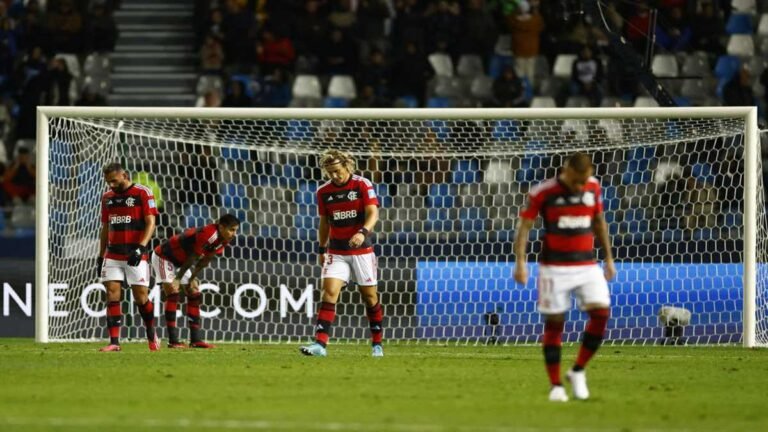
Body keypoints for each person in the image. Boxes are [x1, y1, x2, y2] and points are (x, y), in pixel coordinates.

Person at [513, 153, 615, 402]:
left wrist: (609, 259)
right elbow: (524, 226)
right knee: (555, 323)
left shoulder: (594, 186)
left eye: (584, 180)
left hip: (587, 265)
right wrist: (520, 263)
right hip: (554, 268)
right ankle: (556, 385)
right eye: (576, 181)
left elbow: (599, 221)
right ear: (565, 171)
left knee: (601, 313)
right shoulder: (542, 192)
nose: (580, 186)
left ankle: (578, 370)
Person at [300, 150, 383, 357]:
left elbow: (373, 212)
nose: (334, 176)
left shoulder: (362, 184)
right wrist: (321, 247)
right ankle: (320, 344)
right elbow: (324, 222)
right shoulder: (323, 192)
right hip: (336, 251)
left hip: (361, 250)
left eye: (337, 171)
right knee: (328, 292)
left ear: (347, 166)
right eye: (330, 173)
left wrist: (363, 232)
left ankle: (377, 343)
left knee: (369, 296)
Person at [152, 214, 240, 348]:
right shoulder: (209, 234)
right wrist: (177, 279)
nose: (235, 234)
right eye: (232, 230)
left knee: (194, 292)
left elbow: (205, 260)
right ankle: (173, 341)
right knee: (173, 292)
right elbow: (194, 257)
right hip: (164, 256)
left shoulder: (224, 239)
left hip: (182, 261)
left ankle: (195, 340)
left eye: (236, 230)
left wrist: (192, 278)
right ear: (221, 227)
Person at [97, 163, 159, 352]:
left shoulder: (142, 192)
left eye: (114, 181)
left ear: (124, 175)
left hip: (135, 254)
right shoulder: (107, 198)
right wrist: (100, 256)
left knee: (141, 298)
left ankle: (151, 334)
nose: (111, 185)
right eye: (108, 182)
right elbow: (106, 228)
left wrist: (141, 248)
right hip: (113, 254)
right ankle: (114, 342)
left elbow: (151, 222)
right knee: (111, 293)